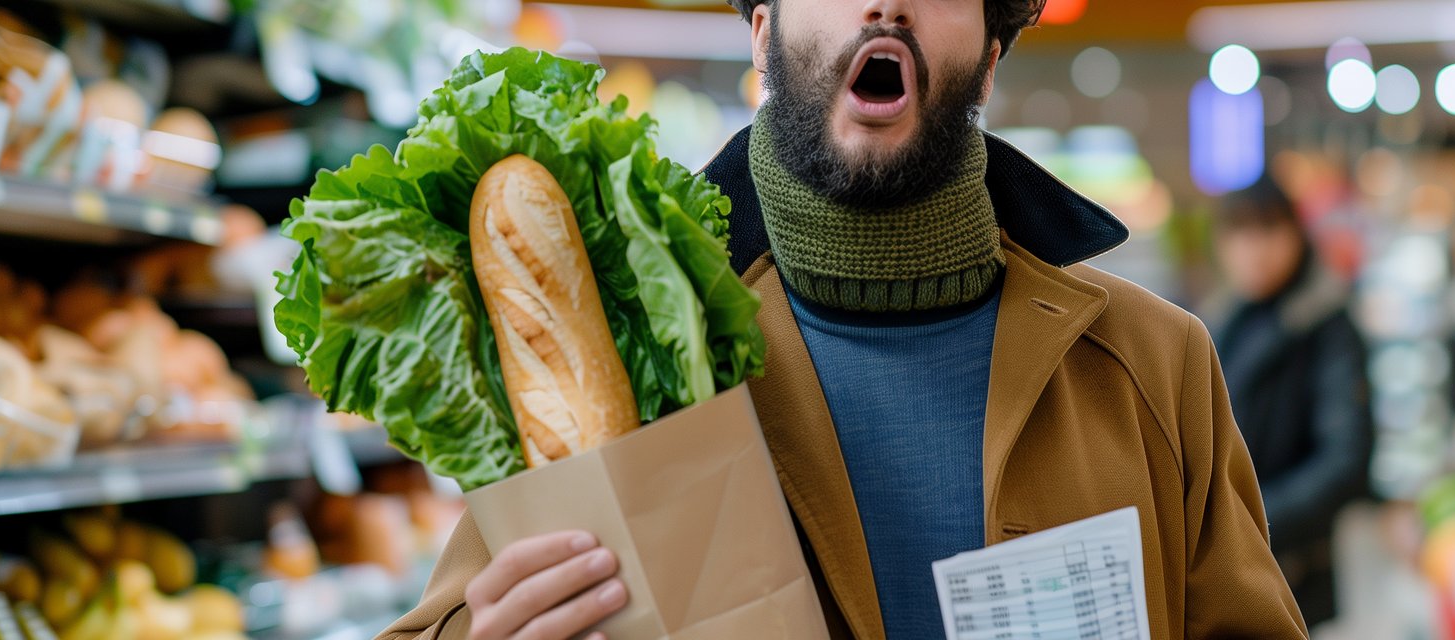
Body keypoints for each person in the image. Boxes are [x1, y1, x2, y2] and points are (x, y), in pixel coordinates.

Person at [382, 0, 1309, 636]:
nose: (886, 3)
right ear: (761, 31)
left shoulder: (1154, 360)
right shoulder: (627, 363)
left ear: (990, 50)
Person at [1210, 178, 1374, 630]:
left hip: (1293, 564)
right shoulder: (1223, 321)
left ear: (1297, 235)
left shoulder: (1328, 326)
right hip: (1227, 564)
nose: (1254, 249)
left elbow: (1347, 459)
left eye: (1269, 231)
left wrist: (1251, 524)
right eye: (1239, 233)